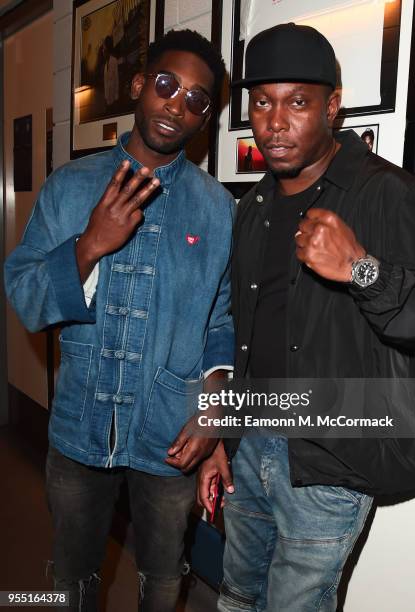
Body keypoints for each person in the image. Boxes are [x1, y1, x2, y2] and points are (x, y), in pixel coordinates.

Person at [198, 23, 415, 611]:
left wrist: (361, 270)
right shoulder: (251, 209)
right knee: (234, 599)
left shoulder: (387, 194)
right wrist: (220, 435)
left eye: (298, 102)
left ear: (332, 106)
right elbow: (242, 332)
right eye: (262, 102)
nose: (276, 122)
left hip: (332, 458)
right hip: (252, 443)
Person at [5, 29, 234, 612]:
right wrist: (88, 246)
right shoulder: (71, 186)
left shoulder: (216, 208)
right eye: (166, 84)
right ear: (138, 85)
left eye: (196, 99)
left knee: (162, 575)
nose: (176, 104)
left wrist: (214, 417)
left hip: (171, 435)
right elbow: (26, 297)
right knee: (72, 574)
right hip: (81, 426)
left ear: (205, 116)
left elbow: (222, 321)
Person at [103, 35, 119, 111]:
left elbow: (116, 79)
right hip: (107, 98)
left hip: (113, 97)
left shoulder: (114, 61)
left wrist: (116, 96)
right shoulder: (106, 64)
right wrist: (106, 98)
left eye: (104, 47)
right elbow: (106, 82)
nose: (103, 50)